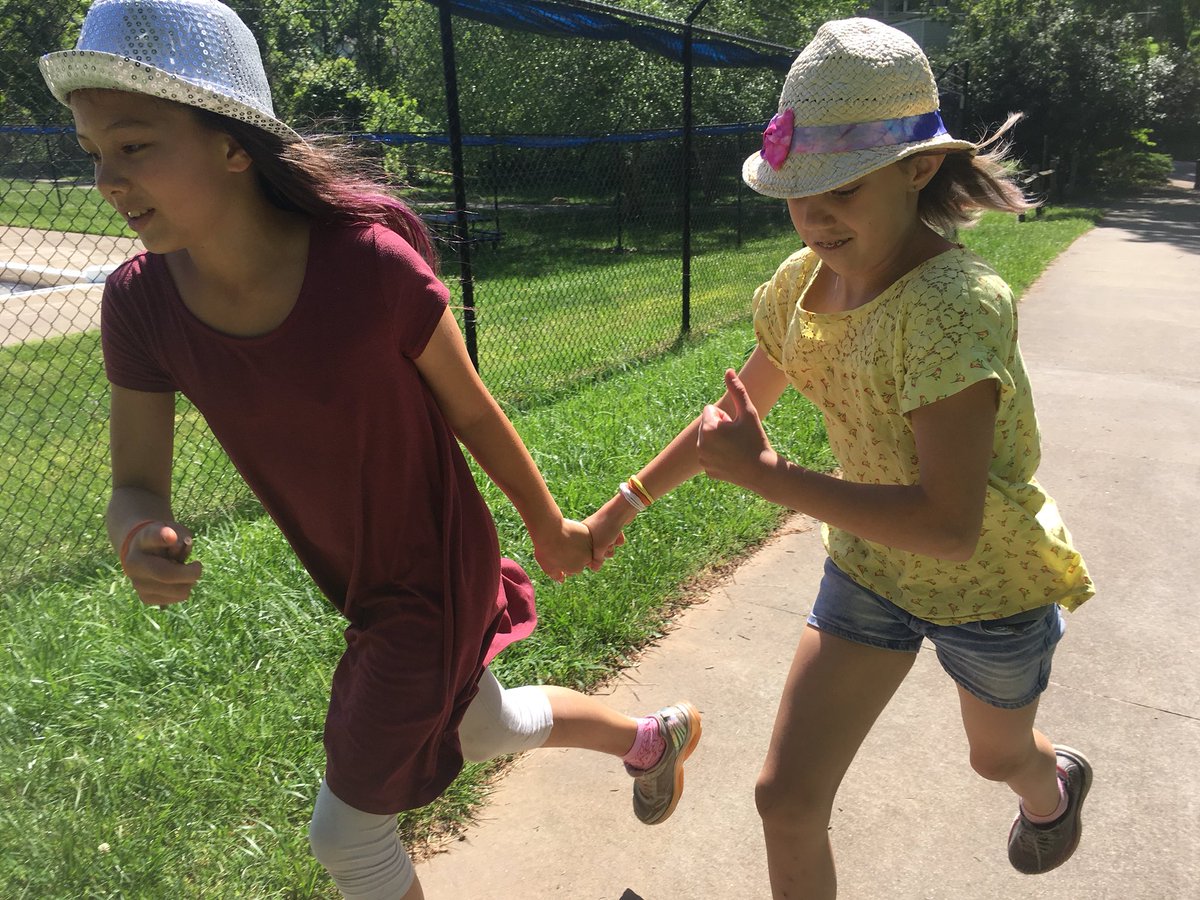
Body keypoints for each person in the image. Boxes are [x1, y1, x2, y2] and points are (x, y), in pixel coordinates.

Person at [39, 2, 701, 897]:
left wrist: (549, 526)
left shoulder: (370, 267)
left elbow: (473, 412)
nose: (107, 180)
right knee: (483, 726)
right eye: (94, 154)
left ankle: (643, 738)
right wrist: (137, 534)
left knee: (347, 839)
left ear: (235, 145)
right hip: (363, 579)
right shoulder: (141, 304)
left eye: (134, 145)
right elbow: (133, 484)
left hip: (431, 577)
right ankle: (651, 739)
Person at [585, 18, 1094, 899]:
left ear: (919, 168)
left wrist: (772, 479)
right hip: (868, 574)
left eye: (842, 189)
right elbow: (729, 421)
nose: (815, 215)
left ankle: (1052, 790)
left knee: (996, 756)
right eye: (798, 191)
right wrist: (619, 507)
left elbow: (947, 523)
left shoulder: (952, 306)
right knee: (784, 799)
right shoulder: (799, 286)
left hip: (991, 588)